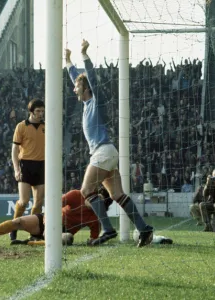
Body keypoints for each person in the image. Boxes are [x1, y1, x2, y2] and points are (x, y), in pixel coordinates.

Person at [65, 39, 153, 247]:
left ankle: (108, 229)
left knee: (86, 192)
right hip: (108, 153)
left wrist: (85, 55)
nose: (74, 89)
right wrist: (68, 61)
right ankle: (145, 229)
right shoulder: (87, 104)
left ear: (85, 88)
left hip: (102, 152)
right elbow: (76, 78)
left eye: (77, 87)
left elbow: (92, 79)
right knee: (118, 195)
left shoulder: (96, 101)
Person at [0, 189, 112, 246]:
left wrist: (93, 241)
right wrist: (47, 221)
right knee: (18, 221)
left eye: (99, 203)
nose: (95, 203)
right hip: (47, 219)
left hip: (61, 231)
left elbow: (94, 238)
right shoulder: (75, 195)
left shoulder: (95, 218)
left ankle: (30, 243)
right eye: (95, 198)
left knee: (67, 239)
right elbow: (53, 205)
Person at [9, 98, 45, 241]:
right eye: (38, 111)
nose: (41, 114)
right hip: (26, 165)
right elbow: (14, 150)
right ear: (31, 111)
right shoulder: (21, 126)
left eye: (42, 111)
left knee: (38, 203)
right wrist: (16, 169)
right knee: (23, 201)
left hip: (42, 165)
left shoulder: (46, 126)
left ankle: (34, 233)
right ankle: (13, 227)